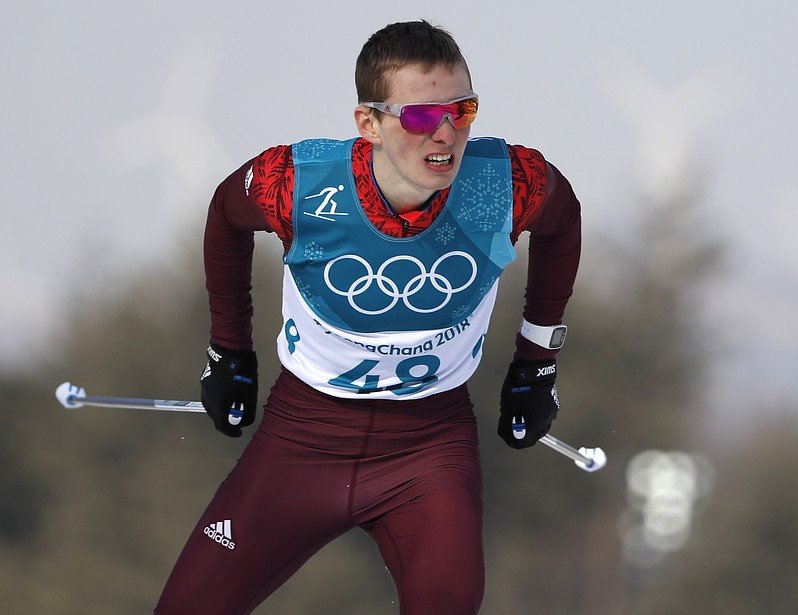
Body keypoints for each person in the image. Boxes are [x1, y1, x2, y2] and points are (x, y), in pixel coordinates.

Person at [155, 20, 581, 615]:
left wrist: (537, 362)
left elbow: (564, 221)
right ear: (369, 124)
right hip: (300, 442)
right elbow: (226, 215)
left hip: (429, 451)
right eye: (422, 117)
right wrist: (229, 350)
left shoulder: (504, 182)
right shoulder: (298, 182)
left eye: (463, 110)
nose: (447, 133)